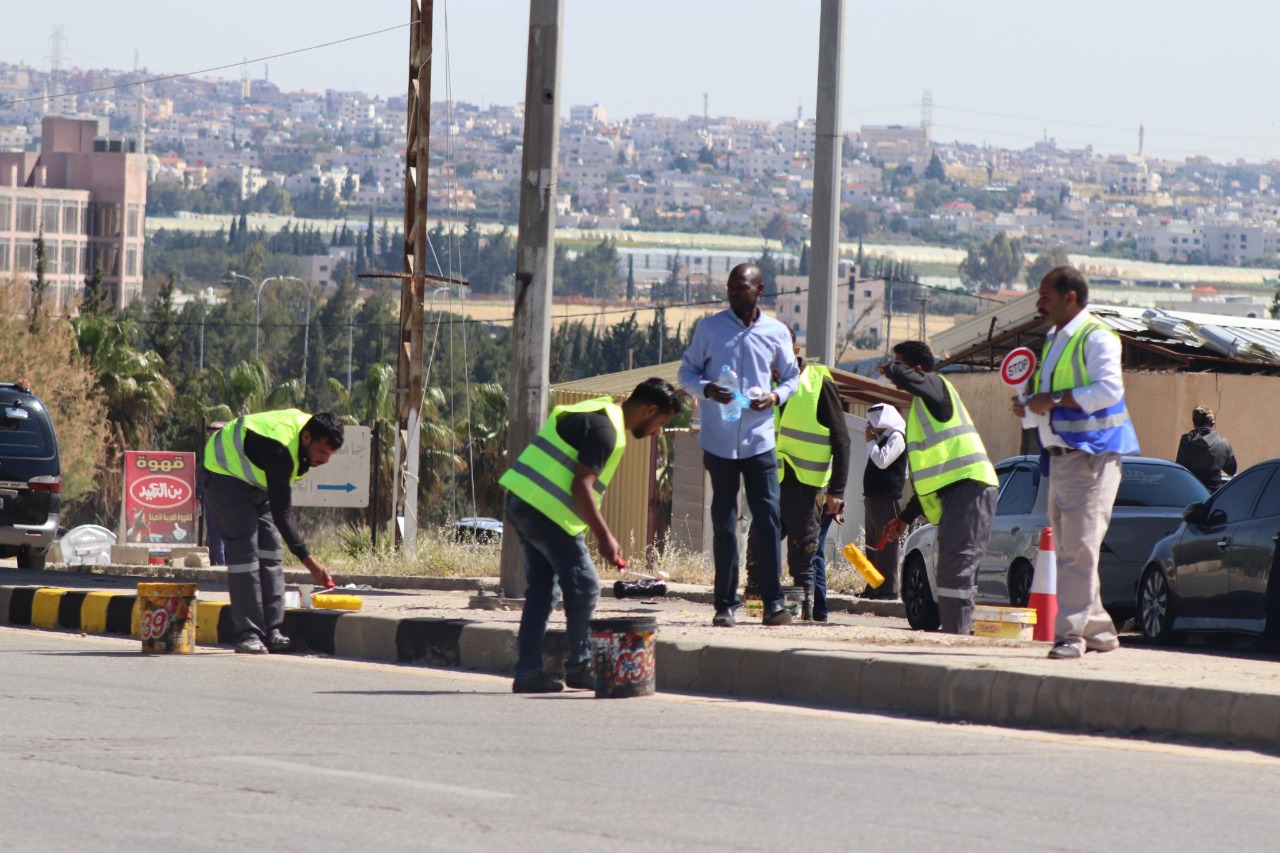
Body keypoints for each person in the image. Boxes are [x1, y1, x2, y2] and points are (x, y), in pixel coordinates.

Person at [499, 379, 683, 694]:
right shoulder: (605, 431)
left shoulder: (598, 412)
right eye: (661, 423)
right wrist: (606, 537)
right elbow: (581, 486)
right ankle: (580, 666)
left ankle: (529, 672)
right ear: (650, 410)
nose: (657, 432)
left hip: (522, 502)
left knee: (543, 591)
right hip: (547, 512)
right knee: (584, 586)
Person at [1012, 265, 1140, 660]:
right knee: (1074, 548)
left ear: (1071, 297)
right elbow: (1049, 401)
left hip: (1092, 456)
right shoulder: (1054, 340)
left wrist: (1049, 400)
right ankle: (1098, 630)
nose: (1039, 304)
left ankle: (1070, 635)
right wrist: (1030, 409)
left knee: (1077, 550)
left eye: (1046, 296)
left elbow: (1107, 390)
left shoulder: (1097, 338)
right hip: (1062, 458)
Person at [678, 263, 801, 627]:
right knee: (726, 522)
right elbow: (686, 372)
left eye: (741, 287)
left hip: (759, 440)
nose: (733, 292)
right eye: (730, 286)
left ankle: (773, 604)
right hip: (718, 442)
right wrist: (705, 389)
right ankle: (725, 604)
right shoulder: (710, 328)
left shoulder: (775, 332)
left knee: (768, 520)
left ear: (759, 289)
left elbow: (793, 377)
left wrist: (776, 397)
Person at [879, 340, 998, 636]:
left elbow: (905, 375)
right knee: (952, 565)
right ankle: (957, 634)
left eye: (901, 364)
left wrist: (891, 368)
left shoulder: (936, 385)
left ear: (918, 370)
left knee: (957, 564)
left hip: (970, 486)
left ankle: (957, 638)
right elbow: (932, 479)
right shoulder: (923, 406)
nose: (895, 374)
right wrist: (905, 518)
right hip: (958, 490)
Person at [202, 410, 344, 654]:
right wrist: (311, 564)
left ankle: (273, 632)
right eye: (322, 452)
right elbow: (283, 516)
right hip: (225, 474)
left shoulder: (308, 431)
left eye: (330, 455)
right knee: (246, 555)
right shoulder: (281, 451)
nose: (325, 460)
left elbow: (279, 509)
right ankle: (248, 634)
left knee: (271, 552)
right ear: (307, 438)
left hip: (258, 481)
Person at [745, 331, 850, 620]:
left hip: (807, 486)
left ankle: (804, 617)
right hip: (773, 482)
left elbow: (842, 440)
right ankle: (758, 613)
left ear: (795, 349)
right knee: (757, 548)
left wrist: (836, 492)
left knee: (803, 556)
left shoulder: (817, 382)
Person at [859, 402, 908, 601]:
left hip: (887, 499)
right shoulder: (882, 438)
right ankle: (873, 586)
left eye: (874, 421)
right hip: (873, 497)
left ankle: (888, 590)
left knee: (886, 544)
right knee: (871, 544)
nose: (870, 425)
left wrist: (870, 442)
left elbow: (882, 461)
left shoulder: (896, 437)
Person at [1176, 406, 1236, 492]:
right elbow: (1231, 470)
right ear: (1212, 423)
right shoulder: (1223, 442)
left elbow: (1181, 470)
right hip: (1214, 495)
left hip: (1192, 493)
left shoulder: (1186, 441)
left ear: (1194, 422)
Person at [199, 422, 227, 566]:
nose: (211, 434)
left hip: (215, 495)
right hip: (229, 496)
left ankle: (219, 562)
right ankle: (219, 560)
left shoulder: (212, 449)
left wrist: (199, 492)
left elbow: (204, 473)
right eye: (211, 431)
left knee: (215, 530)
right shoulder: (230, 448)